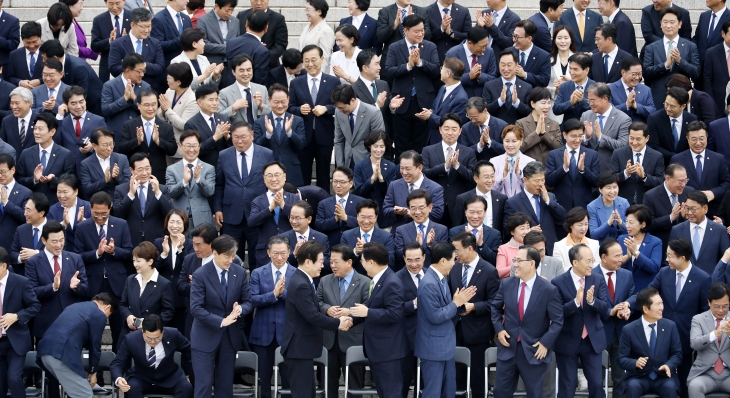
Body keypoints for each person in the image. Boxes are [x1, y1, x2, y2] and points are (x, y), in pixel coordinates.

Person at [490, 245, 563, 398]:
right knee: (500, 392)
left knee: (535, 393)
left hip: (534, 350)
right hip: (508, 348)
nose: (514, 264)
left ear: (531, 263)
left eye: (518, 261)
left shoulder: (549, 289)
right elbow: (495, 308)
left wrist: (545, 343)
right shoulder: (507, 284)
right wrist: (499, 329)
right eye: (514, 260)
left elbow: (557, 321)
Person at [25, 220, 86, 398]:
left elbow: (86, 288)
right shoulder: (33, 262)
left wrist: (76, 286)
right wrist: (52, 287)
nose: (59, 244)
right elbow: (30, 292)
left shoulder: (75, 258)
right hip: (46, 323)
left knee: (73, 368)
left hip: (72, 324)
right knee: (51, 372)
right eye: (54, 241)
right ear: (44, 240)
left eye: (61, 240)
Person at [282, 240, 351, 398]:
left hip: (301, 350)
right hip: (298, 349)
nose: (323, 265)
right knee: (303, 394)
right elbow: (312, 316)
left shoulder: (303, 279)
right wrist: (338, 323)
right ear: (308, 261)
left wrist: (328, 312)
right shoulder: (301, 284)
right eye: (320, 261)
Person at [645, 238, 712, 397]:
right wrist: (628, 305)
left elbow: (705, 311)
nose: (666, 259)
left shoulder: (702, 278)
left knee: (685, 379)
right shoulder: (664, 273)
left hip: (687, 336)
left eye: (670, 256)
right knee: (664, 380)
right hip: (662, 334)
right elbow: (648, 294)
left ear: (682, 257)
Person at [190, 235, 252, 397]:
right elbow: (196, 308)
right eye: (227, 256)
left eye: (233, 255)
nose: (231, 260)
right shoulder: (200, 274)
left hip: (229, 339)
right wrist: (222, 321)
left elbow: (248, 301)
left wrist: (240, 310)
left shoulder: (238, 272)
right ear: (215, 253)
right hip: (205, 337)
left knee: (225, 387)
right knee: (203, 386)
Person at [74, 191, 132, 352]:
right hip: (93, 284)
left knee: (119, 329)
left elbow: (129, 252)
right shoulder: (82, 227)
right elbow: (77, 255)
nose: (100, 218)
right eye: (96, 214)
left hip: (116, 284)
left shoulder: (121, 224)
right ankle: (94, 370)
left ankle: (118, 369)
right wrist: (97, 253)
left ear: (110, 209)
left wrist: (114, 251)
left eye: (104, 214)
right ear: (89, 208)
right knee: (93, 330)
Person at [412, 242, 473, 397]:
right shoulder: (429, 283)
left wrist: (459, 305)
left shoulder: (440, 279)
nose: (455, 263)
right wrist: (455, 303)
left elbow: (446, 308)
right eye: (453, 259)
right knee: (433, 392)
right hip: (433, 348)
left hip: (444, 347)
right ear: (443, 261)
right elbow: (436, 316)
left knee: (448, 390)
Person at [346, 242, 406, 397]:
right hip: (379, 351)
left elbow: (395, 313)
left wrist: (367, 312)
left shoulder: (391, 282)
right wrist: (352, 318)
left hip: (388, 351)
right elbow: (372, 307)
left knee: (391, 393)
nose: (362, 264)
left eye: (362, 261)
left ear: (371, 262)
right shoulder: (380, 279)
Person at [553, 243, 610, 398]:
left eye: (592, 260)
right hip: (567, 339)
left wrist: (592, 301)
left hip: (592, 341)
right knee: (567, 385)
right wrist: (575, 302)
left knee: (597, 384)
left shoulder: (597, 279)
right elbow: (557, 313)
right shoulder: (558, 282)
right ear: (575, 262)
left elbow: (605, 309)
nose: (591, 265)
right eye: (588, 261)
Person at [213, 121, 274, 267]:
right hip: (231, 214)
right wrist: (218, 209)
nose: (239, 141)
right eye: (235, 137)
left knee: (257, 257)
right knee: (231, 257)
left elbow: (271, 183)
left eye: (243, 137)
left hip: (257, 214)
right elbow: (220, 184)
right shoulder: (224, 155)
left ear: (252, 135)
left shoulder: (266, 154)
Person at [36, 293, 115, 398]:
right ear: (108, 307)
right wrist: (93, 372)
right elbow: (95, 346)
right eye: (109, 315)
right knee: (84, 395)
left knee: (75, 393)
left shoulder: (74, 306)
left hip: (45, 352)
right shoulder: (99, 314)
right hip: (62, 354)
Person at [450, 232, 499, 398]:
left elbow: (495, 303)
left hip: (478, 333)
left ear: (470, 248)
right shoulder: (454, 268)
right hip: (455, 331)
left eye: (457, 250)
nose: (454, 254)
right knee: (457, 379)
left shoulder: (489, 270)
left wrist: (474, 306)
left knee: (478, 380)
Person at [317, 244, 369, 398]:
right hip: (329, 341)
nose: (332, 265)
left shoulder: (365, 282)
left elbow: (369, 306)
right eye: (331, 262)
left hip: (353, 340)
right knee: (327, 384)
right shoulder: (325, 281)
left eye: (336, 262)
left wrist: (350, 313)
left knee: (354, 386)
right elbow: (317, 302)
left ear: (349, 262)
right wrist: (327, 309)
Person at [384, 14, 440, 156]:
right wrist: (408, 66)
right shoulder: (395, 47)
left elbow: (435, 70)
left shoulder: (430, 46)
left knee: (421, 145)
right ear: (406, 30)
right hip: (401, 102)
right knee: (401, 144)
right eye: (417, 31)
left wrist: (420, 62)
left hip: (424, 102)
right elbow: (388, 71)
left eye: (422, 30)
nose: (421, 34)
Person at [249, 235, 296, 398]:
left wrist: (281, 294)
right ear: (268, 253)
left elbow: (300, 302)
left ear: (289, 252)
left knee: (288, 378)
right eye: (275, 253)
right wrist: (273, 294)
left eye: (283, 253)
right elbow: (252, 299)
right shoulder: (257, 273)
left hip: (288, 334)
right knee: (263, 378)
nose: (279, 257)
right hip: (263, 333)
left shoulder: (297, 274)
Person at [288, 44, 340, 192]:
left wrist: (327, 109)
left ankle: (323, 205)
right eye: (306, 60)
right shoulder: (296, 82)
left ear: (322, 59)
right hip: (303, 137)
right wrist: (299, 110)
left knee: (324, 176)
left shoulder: (333, 81)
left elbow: (340, 106)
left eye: (313, 60)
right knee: (303, 176)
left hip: (325, 136)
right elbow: (289, 107)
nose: (310, 64)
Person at [177, 223, 242, 337]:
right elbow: (180, 287)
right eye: (193, 244)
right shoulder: (189, 260)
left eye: (199, 245)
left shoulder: (232, 261)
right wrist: (197, 285)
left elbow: (237, 290)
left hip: (224, 319)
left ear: (212, 244)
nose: (195, 249)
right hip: (196, 320)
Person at [617, 287, 682, 398]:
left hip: (663, 378)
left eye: (661, 303)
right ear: (646, 309)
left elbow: (677, 354)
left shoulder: (670, 326)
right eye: (657, 304)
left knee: (670, 388)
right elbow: (622, 359)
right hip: (638, 377)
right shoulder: (629, 329)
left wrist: (668, 365)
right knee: (632, 387)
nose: (661, 307)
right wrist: (635, 363)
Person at [111, 314, 192, 398]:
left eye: (157, 338)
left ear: (162, 332)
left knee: (186, 388)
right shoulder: (131, 339)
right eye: (148, 338)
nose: (153, 342)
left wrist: (187, 373)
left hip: (170, 377)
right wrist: (118, 378)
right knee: (131, 388)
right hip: (141, 377)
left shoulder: (173, 334)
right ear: (143, 331)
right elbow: (118, 362)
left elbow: (189, 350)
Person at [592, 238, 635, 395]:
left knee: (620, 378)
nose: (621, 259)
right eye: (616, 256)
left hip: (621, 333)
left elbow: (633, 295)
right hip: (598, 332)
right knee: (596, 379)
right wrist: (611, 310)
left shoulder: (626, 274)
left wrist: (626, 306)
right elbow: (590, 302)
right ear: (604, 257)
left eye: (621, 255)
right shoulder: (592, 275)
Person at [422, 112, 476, 226]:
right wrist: (444, 167)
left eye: (454, 129)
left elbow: (473, 177)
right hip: (434, 203)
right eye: (446, 128)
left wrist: (457, 166)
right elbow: (423, 174)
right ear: (440, 129)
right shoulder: (428, 150)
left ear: (460, 131)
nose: (450, 132)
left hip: (458, 203)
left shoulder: (468, 152)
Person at [0, 245, 40, 398]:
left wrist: (16, 316)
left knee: (14, 379)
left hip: (15, 341)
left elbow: (35, 306)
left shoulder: (21, 282)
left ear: (4, 266)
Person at [504, 161, 567, 257]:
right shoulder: (513, 203)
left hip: (551, 249)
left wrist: (549, 202)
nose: (541, 184)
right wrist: (525, 232)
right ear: (525, 180)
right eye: (537, 181)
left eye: (543, 180)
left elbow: (563, 218)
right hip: (528, 252)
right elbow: (506, 231)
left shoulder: (550, 197)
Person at [643, 7, 700, 110]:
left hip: (681, 98)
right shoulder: (651, 47)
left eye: (672, 22)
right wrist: (665, 66)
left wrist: (680, 61)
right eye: (665, 22)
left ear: (680, 24)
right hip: (658, 98)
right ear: (660, 23)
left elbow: (696, 72)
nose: (668, 25)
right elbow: (646, 72)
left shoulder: (690, 46)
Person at [671, 121, 730, 218]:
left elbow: (727, 183)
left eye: (701, 139)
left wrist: (713, 193)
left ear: (707, 137)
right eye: (694, 139)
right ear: (687, 139)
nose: (698, 143)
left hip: (713, 212)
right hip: (686, 213)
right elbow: (673, 185)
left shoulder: (718, 159)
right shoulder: (677, 159)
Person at [112, 153, 173, 246]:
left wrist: (158, 193)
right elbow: (117, 214)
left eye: (147, 168)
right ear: (131, 170)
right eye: (140, 169)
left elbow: (170, 213)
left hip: (156, 239)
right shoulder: (121, 189)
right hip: (131, 239)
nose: (144, 173)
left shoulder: (162, 189)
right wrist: (131, 195)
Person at [118, 242, 175, 342]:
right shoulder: (131, 280)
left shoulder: (163, 284)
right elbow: (123, 304)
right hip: (129, 333)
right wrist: (128, 316)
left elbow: (168, 311)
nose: (135, 264)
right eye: (134, 260)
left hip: (152, 335)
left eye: (138, 261)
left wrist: (150, 322)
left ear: (150, 261)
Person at [118, 91, 178, 182]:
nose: (150, 108)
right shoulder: (129, 125)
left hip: (158, 174)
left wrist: (158, 141)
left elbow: (173, 150)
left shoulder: (166, 126)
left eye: (154, 104)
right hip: (136, 175)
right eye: (146, 105)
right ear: (138, 105)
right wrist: (137, 141)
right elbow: (121, 148)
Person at [249, 162, 300, 268]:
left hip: (290, 250)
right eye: (269, 175)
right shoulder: (258, 201)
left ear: (284, 177)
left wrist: (283, 205)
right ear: (264, 178)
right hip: (265, 252)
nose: (273, 179)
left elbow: (300, 220)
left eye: (277, 175)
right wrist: (269, 209)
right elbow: (251, 222)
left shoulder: (294, 198)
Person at [253, 83, 306, 187]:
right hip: (268, 171)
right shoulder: (260, 122)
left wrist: (290, 132)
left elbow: (301, 145)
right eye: (276, 102)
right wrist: (268, 134)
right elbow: (256, 147)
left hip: (291, 171)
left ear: (288, 99)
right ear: (269, 101)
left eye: (283, 102)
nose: (280, 105)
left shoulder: (297, 120)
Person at [15, 112, 75, 204]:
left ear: (52, 132)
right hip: (32, 204)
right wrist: (34, 180)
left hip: (55, 204)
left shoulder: (65, 154)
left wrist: (53, 180)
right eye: (35, 129)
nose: (36, 132)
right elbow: (18, 179)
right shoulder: (26, 153)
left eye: (40, 129)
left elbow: (71, 181)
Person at [668, 191, 730, 276]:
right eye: (687, 208)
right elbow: (670, 258)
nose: (689, 213)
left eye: (693, 209)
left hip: (711, 283)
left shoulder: (719, 230)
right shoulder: (677, 230)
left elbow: (726, 260)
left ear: (705, 208)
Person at [545, 118, 600, 212]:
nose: (577, 140)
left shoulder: (592, 154)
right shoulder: (554, 155)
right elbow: (549, 182)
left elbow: (596, 182)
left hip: (584, 206)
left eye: (580, 136)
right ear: (564, 135)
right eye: (573, 136)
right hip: (561, 206)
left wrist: (583, 170)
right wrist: (564, 168)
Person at [382, 150, 445, 231]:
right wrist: (395, 211)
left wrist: (412, 213)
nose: (404, 172)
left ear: (419, 168)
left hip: (425, 234)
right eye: (402, 168)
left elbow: (436, 215)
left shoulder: (435, 188)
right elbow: (386, 210)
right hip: (399, 235)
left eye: (408, 169)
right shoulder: (394, 185)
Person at [687, 282, 730, 397]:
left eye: (725, 306)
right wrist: (715, 333)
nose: (721, 310)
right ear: (709, 303)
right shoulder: (698, 319)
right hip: (705, 373)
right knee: (694, 386)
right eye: (717, 306)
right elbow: (694, 344)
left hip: (728, 373)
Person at [153, 210, 193, 332]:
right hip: (162, 295)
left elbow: (190, 268)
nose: (175, 226)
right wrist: (164, 254)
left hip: (182, 296)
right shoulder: (159, 242)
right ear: (167, 224)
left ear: (184, 224)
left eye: (178, 222)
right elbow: (153, 269)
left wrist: (181, 250)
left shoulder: (190, 244)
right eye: (172, 222)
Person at [107, 8, 165, 94]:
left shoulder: (155, 43)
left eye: (149, 26)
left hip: (150, 91)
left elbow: (160, 67)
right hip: (125, 90)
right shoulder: (118, 44)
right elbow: (114, 68)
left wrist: (143, 65)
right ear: (133, 25)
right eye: (143, 26)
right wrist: (133, 69)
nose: (147, 30)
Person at [166, 130, 215, 229]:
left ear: (199, 146)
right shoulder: (171, 169)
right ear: (180, 146)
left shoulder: (209, 168)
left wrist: (199, 179)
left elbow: (210, 192)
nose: (191, 149)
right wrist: (184, 181)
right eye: (188, 146)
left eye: (194, 146)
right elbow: (171, 193)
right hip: (180, 220)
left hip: (202, 219)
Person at [55, 86, 107, 175]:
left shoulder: (98, 121)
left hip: (91, 172)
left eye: (81, 102)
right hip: (67, 172)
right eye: (74, 103)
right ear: (66, 104)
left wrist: (93, 148)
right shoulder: (62, 122)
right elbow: (55, 144)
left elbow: (108, 147)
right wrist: (59, 117)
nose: (78, 106)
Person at [610, 121, 665, 205]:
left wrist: (644, 177)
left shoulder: (657, 156)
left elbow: (660, 182)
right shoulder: (618, 153)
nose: (634, 142)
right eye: (631, 138)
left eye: (638, 139)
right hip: (622, 203)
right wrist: (626, 173)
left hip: (646, 204)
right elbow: (611, 179)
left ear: (647, 138)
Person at [100, 53, 152, 143]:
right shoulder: (110, 85)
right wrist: (124, 99)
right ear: (128, 71)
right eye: (139, 71)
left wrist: (135, 99)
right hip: (117, 135)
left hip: (139, 136)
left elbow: (150, 110)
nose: (142, 74)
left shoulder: (145, 86)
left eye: (144, 71)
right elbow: (105, 110)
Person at [580, 82, 632, 171]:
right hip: (586, 169)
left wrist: (601, 137)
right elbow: (576, 140)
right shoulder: (586, 115)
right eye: (588, 100)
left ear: (605, 99)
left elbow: (623, 146)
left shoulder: (623, 119)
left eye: (593, 100)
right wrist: (586, 137)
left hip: (609, 170)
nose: (590, 104)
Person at [332, 84, 385, 168]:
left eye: (342, 107)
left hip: (367, 163)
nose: (340, 110)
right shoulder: (338, 112)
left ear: (352, 100)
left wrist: (374, 166)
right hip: (347, 162)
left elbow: (378, 143)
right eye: (338, 107)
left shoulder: (373, 113)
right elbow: (338, 140)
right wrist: (340, 167)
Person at [353, 130, 399, 225]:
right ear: (370, 146)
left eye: (382, 146)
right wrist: (372, 178)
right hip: (365, 214)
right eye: (375, 146)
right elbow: (358, 192)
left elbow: (392, 193)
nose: (378, 150)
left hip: (384, 215)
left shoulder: (391, 167)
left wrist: (381, 179)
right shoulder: (359, 166)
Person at [394, 189, 449, 269]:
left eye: (421, 207)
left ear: (430, 207)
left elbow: (444, 256)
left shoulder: (441, 229)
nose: (417, 212)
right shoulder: (401, 230)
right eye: (413, 208)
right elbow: (398, 256)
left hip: (433, 274)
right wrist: (415, 245)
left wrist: (430, 244)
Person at [181, 82, 231, 167]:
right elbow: (194, 150)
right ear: (200, 102)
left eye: (216, 99)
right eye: (211, 100)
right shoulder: (191, 124)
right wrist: (215, 138)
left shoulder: (224, 118)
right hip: (205, 167)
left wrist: (227, 137)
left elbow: (233, 145)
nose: (215, 103)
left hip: (226, 165)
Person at [376, 0, 431, 74]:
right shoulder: (385, 12)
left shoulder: (421, 11)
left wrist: (413, 24)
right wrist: (394, 26)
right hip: (393, 61)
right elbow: (380, 37)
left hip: (416, 60)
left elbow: (428, 36)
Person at [647, 87, 698, 167]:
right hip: (662, 164)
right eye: (666, 104)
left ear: (683, 106)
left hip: (686, 164)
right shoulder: (654, 119)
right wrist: (676, 157)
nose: (668, 108)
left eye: (672, 106)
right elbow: (653, 146)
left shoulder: (692, 119)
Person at [451, 160, 508, 232]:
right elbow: (456, 226)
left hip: (494, 241)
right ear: (476, 178)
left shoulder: (502, 199)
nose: (490, 180)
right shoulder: (462, 198)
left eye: (492, 176)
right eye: (486, 177)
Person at [341, 199, 394, 274]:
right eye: (362, 217)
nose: (366, 221)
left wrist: (369, 250)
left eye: (370, 217)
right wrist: (355, 252)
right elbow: (342, 261)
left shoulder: (386, 236)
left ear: (376, 218)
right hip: (354, 279)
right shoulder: (346, 235)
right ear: (357, 216)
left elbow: (391, 261)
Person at [218, 53, 271, 127]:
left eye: (248, 70)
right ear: (233, 72)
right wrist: (233, 108)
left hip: (259, 133)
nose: (246, 74)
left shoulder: (262, 89)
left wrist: (261, 106)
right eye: (241, 70)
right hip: (239, 135)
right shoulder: (224, 93)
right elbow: (218, 117)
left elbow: (272, 113)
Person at [314, 167, 363, 246]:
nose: (338, 185)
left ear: (351, 183)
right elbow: (318, 226)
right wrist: (335, 219)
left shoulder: (360, 202)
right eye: (335, 181)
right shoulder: (323, 203)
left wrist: (346, 218)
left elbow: (365, 223)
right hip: (331, 246)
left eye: (342, 182)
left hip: (353, 246)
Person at [443, 27, 497, 99]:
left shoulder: (489, 52)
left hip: (482, 100)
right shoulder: (452, 54)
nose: (484, 49)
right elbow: (448, 80)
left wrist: (480, 76)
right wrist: (469, 76)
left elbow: (493, 77)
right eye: (481, 47)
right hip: (460, 100)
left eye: (486, 45)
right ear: (470, 43)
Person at [78, 127, 131, 200]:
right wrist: (104, 181)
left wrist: (118, 177)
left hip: (119, 204)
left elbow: (130, 184)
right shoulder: (86, 164)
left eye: (111, 144)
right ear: (94, 146)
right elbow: (87, 189)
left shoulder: (122, 159)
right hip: (99, 206)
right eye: (105, 145)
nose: (109, 148)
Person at [482, 50, 532, 125]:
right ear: (498, 65)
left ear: (516, 65)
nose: (506, 69)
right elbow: (485, 111)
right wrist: (500, 101)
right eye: (503, 65)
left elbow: (530, 113)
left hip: (518, 129)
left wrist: (517, 103)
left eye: (509, 65)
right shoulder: (489, 85)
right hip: (496, 129)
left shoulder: (527, 87)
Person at [351, 50, 393, 140]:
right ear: (365, 68)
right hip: (365, 140)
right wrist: (376, 105)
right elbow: (357, 116)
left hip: (384, 139)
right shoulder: (353, 89)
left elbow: (387, 114)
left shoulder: (383, 84)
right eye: (376, 64)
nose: (380, 68)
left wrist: (392, 106)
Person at [449, 195, 501, 265]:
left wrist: (481, 245)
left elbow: (494, 260)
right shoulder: (454, 232)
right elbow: (451, 258)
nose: (475, 216)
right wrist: (466, 243)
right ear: (465, 212)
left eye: (479, 212)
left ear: (485, 213)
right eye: (471, 212)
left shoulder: (495, 234)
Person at [235, 0, 288, 69]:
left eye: (262, 0)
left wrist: (264, 56)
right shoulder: (242, 16)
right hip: (244, 65)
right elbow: (237, 39)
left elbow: (281, 44)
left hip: (269, 66)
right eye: (256, 0)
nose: (259, 3)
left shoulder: (278, 18)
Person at [517, 87, 563, 165]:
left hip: (549, 168)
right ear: (533, 104)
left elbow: (559, 148)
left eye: (549, 102)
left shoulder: (554, 124)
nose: (547, 106)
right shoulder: (521, 123)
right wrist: (536, 133)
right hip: (528, 167)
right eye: (543, 103)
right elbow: (519, 147)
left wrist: (544, 134)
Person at [150, 0, 192, 84]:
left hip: (186, 69)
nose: (188, 1)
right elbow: (158, 45)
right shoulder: (159, 19)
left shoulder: (186, 18)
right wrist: (180, 40)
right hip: (169, 71)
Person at [224, 10, 270, 88]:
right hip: (249, 93)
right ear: (266, 29)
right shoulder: (262, 51)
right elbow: (260, 80)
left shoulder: (231, 42)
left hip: (229, 89)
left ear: (246, 24)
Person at [47, 173, 91, 251]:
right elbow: (49, 234)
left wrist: (83, 221)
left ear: (76, 191)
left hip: (85, 254)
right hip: (63, 255)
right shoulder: (52, 210)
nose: (62, 196)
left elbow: (96, 232)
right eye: (59, 192)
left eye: (65, 192)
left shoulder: (88, 207)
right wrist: (63, 224)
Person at [282, 200, 330, 270]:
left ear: (309, 219)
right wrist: (294, 254)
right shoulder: (283, 238)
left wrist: (312, 255)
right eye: (292, 217)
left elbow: (327, 265)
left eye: (298, 218)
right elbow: (279, 263)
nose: (294, 221)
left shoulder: (321, 238)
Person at [90, 0, 131, 82]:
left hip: (129, 66)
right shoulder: (99, 20)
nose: (114, 7)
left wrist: (127, 40)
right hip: (107, 67)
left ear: (124, 1)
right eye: (111, 4)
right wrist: (110, 41)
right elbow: (94, 46)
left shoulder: (132, 17)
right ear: (105, 2)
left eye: (117, 3)